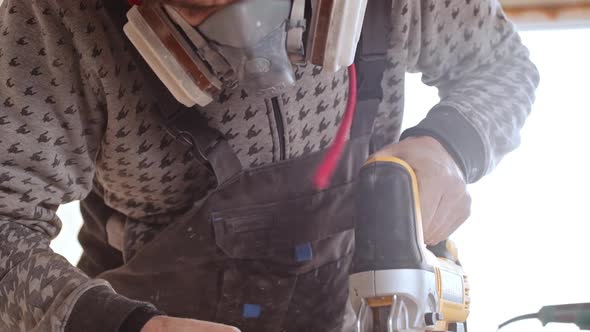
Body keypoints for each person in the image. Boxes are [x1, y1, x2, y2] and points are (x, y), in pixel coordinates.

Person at [0, 0, 539, 331]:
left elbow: (500, 65)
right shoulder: (57, 19)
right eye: (195, 7)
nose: (243, 25)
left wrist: (450, 145)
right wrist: (110, 325)